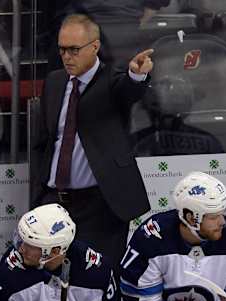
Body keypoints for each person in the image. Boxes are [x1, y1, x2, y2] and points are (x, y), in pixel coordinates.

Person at [32, 14, 153, 268]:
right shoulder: (54, 82)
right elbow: (46, 140)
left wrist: (137, 76)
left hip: (100, 205)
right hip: (54, 200)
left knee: (99, 277)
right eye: (62, 49)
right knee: (49, 277)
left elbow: (127, 91)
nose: (66, 56)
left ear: (95, 47)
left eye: (74, 50)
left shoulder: (112, 80)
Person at [117, 171, 226, 301]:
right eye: (213, 217)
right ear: (191, 218)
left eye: (223, 213)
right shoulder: (151, 239)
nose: (223, 222)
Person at [0, 203, 120, 301]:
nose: (21, 249)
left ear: (54, 251)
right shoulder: (10, 270)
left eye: (30, 244)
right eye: (21, 240)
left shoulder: (96, 271)